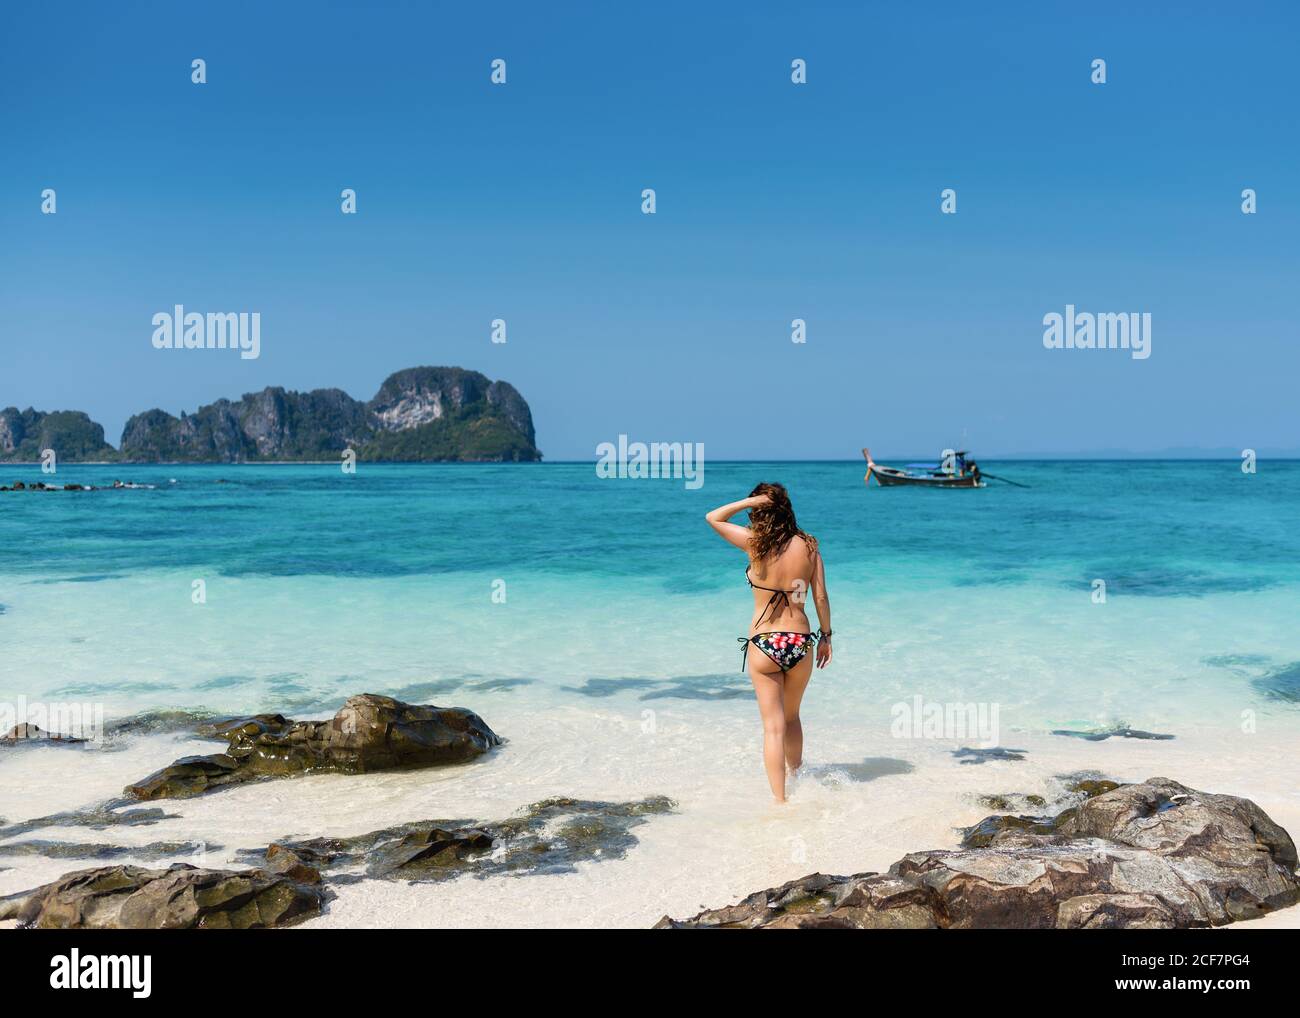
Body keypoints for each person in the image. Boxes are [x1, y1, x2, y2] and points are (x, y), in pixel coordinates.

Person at [705, 483, 832, 803]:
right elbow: (819, 596)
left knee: (773, 727)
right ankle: (798, 777)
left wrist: (753, 500)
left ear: (760, 511)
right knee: (792, 717)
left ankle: (780, 802)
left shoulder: (755, 543)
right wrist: (826, 637)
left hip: (764, 642)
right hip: (800, 640)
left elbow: (713, 517)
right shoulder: (810, 545)